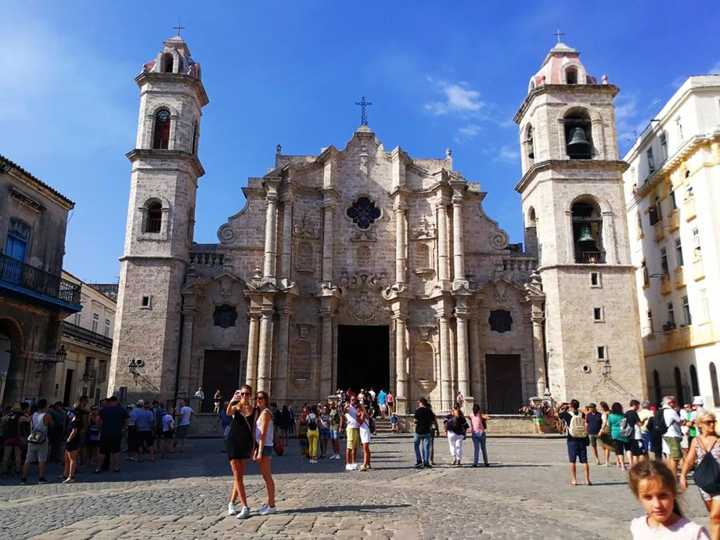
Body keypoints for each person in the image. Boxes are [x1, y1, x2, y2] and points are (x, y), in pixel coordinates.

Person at [630, 460, 710, 539]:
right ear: (638, 497)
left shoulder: (694, 534)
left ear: (673, 493)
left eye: (663, 496)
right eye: (648, 497)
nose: (657, 504)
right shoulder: (638, 526)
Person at [680, 411, 720, 538]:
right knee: (713, 514)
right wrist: (683, 476)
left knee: (715, 517)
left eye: (713, 421)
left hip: (719, 481)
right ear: (700, 424)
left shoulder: (719, 440)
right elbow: (690, 460)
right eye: (708, 422)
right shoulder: (696, 441)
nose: (712, 424)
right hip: (705, 484)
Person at [225, 385, 256, 519]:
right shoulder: (236, 407)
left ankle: (231, 503)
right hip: (233, 442)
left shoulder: (254, 410)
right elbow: (228, 413)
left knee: (239, 477)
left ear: (251, 395)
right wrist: (233, 399)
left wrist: (254, 448)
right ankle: (245, 507)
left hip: (246, 444)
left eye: (247, 394)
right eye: (243, 394)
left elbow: (254, 430)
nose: (245, 396)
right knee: (237, 476)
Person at [254, 391, 276, 515]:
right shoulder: (261, 413)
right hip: (263, 447)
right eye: (257, 398)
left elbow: (263, 434)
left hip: (265, 447)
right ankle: (269, 503)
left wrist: (259, 451)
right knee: (265, 476)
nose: (258, 400)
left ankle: (272, 505)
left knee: (267, 477)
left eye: (261, 398)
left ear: (266, 400)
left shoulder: (266, 413)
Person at [559, 399, 591, 486]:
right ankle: (587, 479)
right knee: (585, 461)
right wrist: (579, 409)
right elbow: (587, 414)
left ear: (571, 406)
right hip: (582, 438)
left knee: (572, 461)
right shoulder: (582, 414)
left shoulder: (566, 414)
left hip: (571, 439)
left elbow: (555, 414)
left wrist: (561, 406)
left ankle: (574, 480)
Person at [22, 399, 53, 483]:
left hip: (32, 437)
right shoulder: (46, 415)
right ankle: (41, 478)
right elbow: (51, 425)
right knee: (42, 459)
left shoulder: (33, 414)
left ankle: (23, 478)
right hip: (42, 438)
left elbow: (28, 421)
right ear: (45, 406)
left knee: (28, 459)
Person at [96, 395, 128, 474]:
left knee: (102, 451)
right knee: (116, 451)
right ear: (116, 401)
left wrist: (99, 428)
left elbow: (98, 420)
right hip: (116, 433)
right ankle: (116, 467)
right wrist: (124, 428)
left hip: (105, 432)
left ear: (110, 402)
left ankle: (98, 468)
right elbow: (127, 420)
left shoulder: (104, 410)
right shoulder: (121, 410)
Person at [662, 396, 684, 476]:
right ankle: (673, 476)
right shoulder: (671, 411)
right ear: (669, 403)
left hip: (665, 435)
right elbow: (680, 422)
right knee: (676, 457)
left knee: (669, 456)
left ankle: (669, 474)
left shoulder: (661, 410)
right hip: (673, 435)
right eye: (674, 402)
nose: (675, 404)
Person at [62, 404, 83, 483]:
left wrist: (69, 439)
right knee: (66, 459)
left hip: (73, 441)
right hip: (70, 442)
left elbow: (74, 431)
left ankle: (71, 476)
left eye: (70, 412)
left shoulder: (76, 421)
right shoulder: (72, 420)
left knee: (72, 459)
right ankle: (65, 474)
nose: (68, 414)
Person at [413, 398, 435, 468]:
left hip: (418, 431)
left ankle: (419, 460)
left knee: (416, 446)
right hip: (427, 431)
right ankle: (426, 462)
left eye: (419, 402)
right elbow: (433, 420)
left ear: (421, 403)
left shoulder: (417, 411)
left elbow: (415, 421)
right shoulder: (429, 411)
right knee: (426, 447)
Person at [608, 401, 628, 471]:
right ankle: (629, 463)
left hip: (615, 434)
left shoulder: (610, 416)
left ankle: (622, 465)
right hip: (623, 433)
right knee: (625, 449)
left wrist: (610, 433)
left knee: (619, 451)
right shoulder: (623, 415)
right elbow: (625, 424)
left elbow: (609, 426)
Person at [341, 398, 360, 471]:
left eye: (354, 400)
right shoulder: (348, 407)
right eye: (352, 400)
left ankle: (353, 462)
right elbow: (344, 411)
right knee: (349, 446)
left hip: (356, 428)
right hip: (350, 428)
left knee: (355, 447)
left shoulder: (355, 408)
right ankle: (348, 463)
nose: (353, 401)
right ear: (350, 401)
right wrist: (345, 406)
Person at [626, 399, 646, 466]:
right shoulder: (634, 413)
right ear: (634, 405)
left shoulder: (626, 413)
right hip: (636, 435)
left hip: (629, 435)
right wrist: (644, 421)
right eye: (638, 406)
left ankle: (634, 466)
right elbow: (639, 424)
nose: (638, 407)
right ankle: (641, 466)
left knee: (634, 453)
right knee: (641, 453)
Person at [358, 404, 372, 471]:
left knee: (365, 448)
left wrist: (357, 416)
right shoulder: (364, 413)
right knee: (366, 448)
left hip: (365, 431)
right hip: (364, 430)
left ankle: (365, 464)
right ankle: (368, 463)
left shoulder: (362, 413)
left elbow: (360, 422)